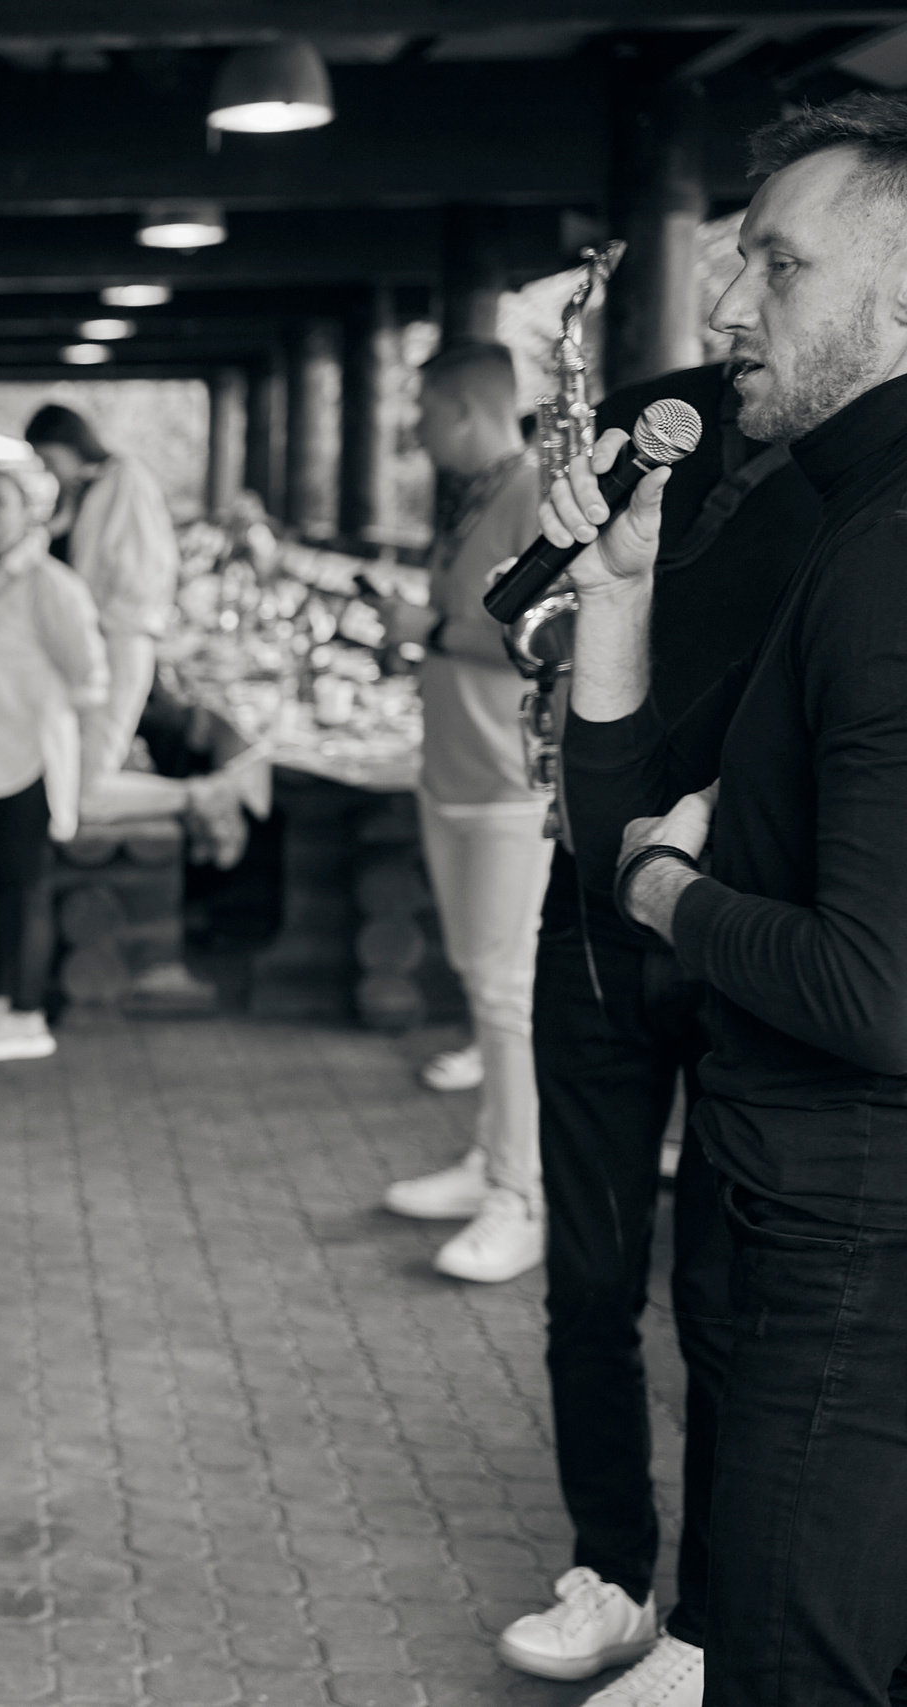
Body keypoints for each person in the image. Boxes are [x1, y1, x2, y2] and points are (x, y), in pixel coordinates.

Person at [556, 93, 907, 1707]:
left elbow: (877, 990)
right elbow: (614, 835)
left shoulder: (891, 553)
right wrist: (615, 602)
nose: (721, 306)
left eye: (779, 262)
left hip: (856, 1247)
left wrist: (675, 894)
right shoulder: (850, 516)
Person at [490, 361, 812, 1705]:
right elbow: (527, 608)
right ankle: (607, 1571)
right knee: (589, 1274)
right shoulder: (653, 410)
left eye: (770, 271)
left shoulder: (854, 456)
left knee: (725, 1299)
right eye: (735, 269)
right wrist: (556, 597)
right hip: (591, 902)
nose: (738, 305)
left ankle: (706, 1620)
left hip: (744, 904)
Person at [369, 344, 556, 1285]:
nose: (415, 428)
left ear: (464, 408)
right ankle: (493, 1159)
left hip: (507, 778)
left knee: (505, 991)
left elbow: (545, 635)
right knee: (483, 984)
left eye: (424, 409)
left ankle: (523, 1196)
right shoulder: (475, 497)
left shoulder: (534, 489)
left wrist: (429, 629)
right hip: (453, 768)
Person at [0, 471, 109, 1063]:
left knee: (23, 887)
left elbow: (88, 674)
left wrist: (80, 752)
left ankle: (27, 1011)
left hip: (24, 757)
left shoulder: (48, 584)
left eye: (0, 502)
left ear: (28, 513)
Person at [24, 404, 177, 796]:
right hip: (89, 640)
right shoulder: (80, 490)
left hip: (119, 636)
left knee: (90, 781)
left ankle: (202, 797)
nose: (48, 469)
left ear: (68, 443)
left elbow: (143, 570)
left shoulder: (126, 480)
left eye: (49, 458)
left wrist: (94, 615)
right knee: (75, 773)